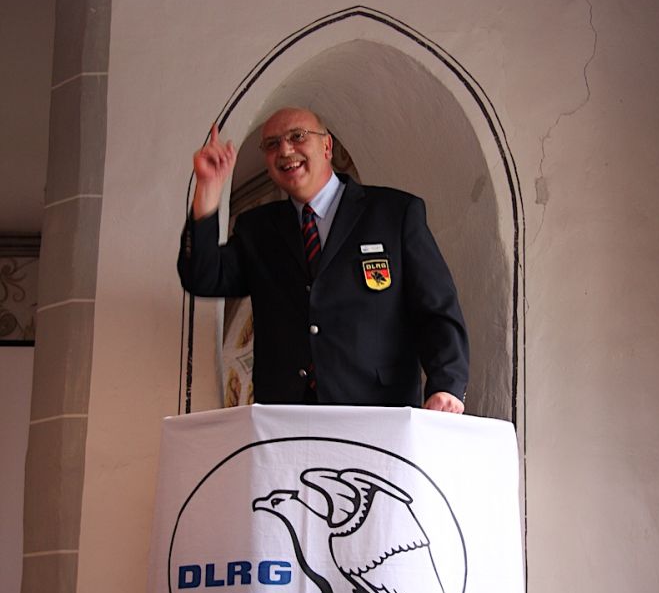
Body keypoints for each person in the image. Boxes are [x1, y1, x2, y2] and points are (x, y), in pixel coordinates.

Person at [178, 106, 469, 411]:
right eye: (272, 144)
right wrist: (208, 189)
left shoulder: (394, 213)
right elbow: (203, 277)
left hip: (378, 411)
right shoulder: (258, 228)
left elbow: (436, 308)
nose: (285, 150)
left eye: (297, 136)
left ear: (327, 146)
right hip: (286, 415)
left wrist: (447, 385)